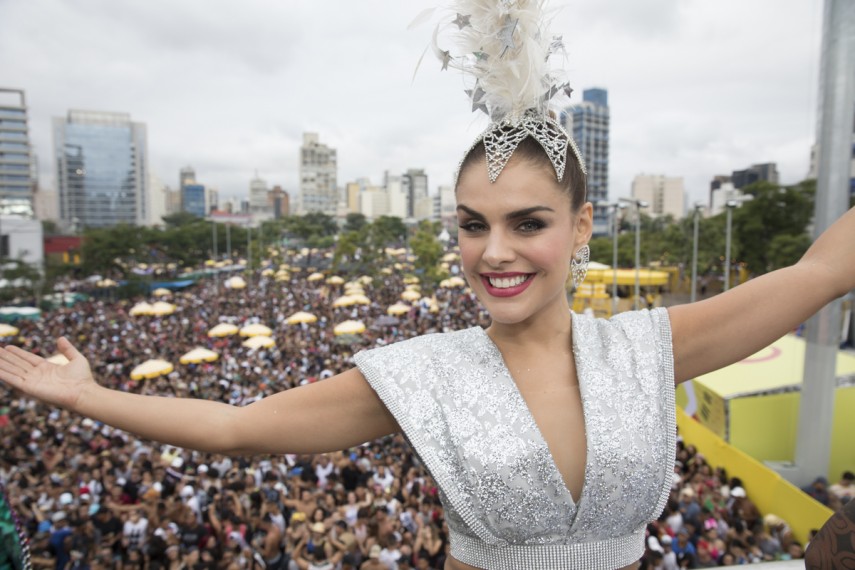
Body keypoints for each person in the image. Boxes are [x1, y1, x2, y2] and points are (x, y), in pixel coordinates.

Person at [2, 4, 855, 570]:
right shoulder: (424, 373)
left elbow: (820, 271)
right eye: (471, 224)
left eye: (527, 222)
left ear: (582, 225)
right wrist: (87, 397)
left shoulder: (648, 346)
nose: (494, 252)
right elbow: (234, 430)